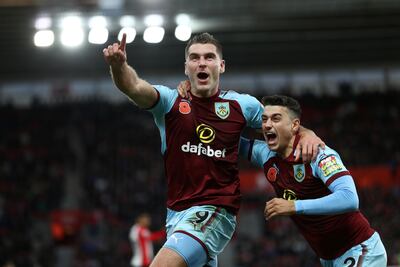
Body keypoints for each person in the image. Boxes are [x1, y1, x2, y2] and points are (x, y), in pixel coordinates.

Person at [103, 32, 323, 267]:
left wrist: (308, 134)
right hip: (177, 215)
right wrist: (119, 66)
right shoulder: (170, 102)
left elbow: (282, 128)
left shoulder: (241, 105)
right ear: (186, 67)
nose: (202, 63)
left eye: (209, 57)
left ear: (221, 65)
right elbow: (134, 87)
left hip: (216, 210)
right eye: (195, 58)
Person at [239, 95, 387, 267]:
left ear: (295, 125)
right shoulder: (265, 154)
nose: (267, 125)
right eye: (264, 119)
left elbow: (350, 198)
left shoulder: (318, 154)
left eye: (276, 118)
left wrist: (294, 206)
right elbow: (227, 140)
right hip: (328, 258)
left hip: (359, 248)